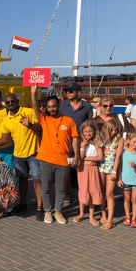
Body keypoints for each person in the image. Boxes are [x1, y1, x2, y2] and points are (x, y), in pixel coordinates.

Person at [0, 93, 43, 220]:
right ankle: (23, 204)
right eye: (8, 102)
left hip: (33, 153)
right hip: (18, 154)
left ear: (17, 101)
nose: (10, 104)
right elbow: (4, 140)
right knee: (22, 180)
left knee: (37, 180)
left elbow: (40, 127)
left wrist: (29, 125)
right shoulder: (6, 120)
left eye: (13, 101)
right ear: (5, 104)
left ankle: (39, 207)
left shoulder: (28, 111)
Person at [31, 84, 79, 225]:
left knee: (60, 188)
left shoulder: (69, 121)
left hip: (63, 160)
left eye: (54, 106)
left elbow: (75, 138)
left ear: (59, 105)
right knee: (45, 187)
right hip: (45, 159)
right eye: (49, 107)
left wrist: (76, 156)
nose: (51, 109)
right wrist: (33, 93)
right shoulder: (45, 119)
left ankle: (58, 211)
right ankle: (47, 211)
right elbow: (35, 108)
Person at [60, 83, 94, 203]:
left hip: (81, 142)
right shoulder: (62, 105)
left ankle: (84, 192)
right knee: (66, 169)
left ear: (78, 93)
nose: (68, 93)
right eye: (67, 91)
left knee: (82, 166)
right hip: (65, 142)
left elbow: (90, 124)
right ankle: (67, 193)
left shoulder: (87, 106)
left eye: (71, 91)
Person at [73, 121, 104, 225]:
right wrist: (82, 146)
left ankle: (91, 215)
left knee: (92, 190)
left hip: (93, 169)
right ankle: (81, 213)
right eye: (85, 131)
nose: (87, 134)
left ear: (94, 131)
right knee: (82, 190)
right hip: (82, 169)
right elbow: (80, 158)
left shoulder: (97, 142)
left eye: (90, 131)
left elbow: (100, 157)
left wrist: (86, 158)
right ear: (82, 132)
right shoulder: (80, 141)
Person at [98, 119, 124, 230]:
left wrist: (115, 171)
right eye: (111, 130)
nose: (113, 132)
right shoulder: (101, 138)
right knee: (101, 192)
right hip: (100, 167)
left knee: (109, 193)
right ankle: (103, 214)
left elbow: (118, 157)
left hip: (111, 169)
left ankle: (110, 220)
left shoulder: (120, 139)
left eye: (115, 130)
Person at [119, 132, 136, 228]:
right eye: (134, 142)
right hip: (125, 180)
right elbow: (120, 167)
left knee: (135, 199)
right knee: (127, 199)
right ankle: (127, 216)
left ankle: (134, 217)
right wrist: (119, 179)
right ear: (128, 141)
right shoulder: (124, 152)